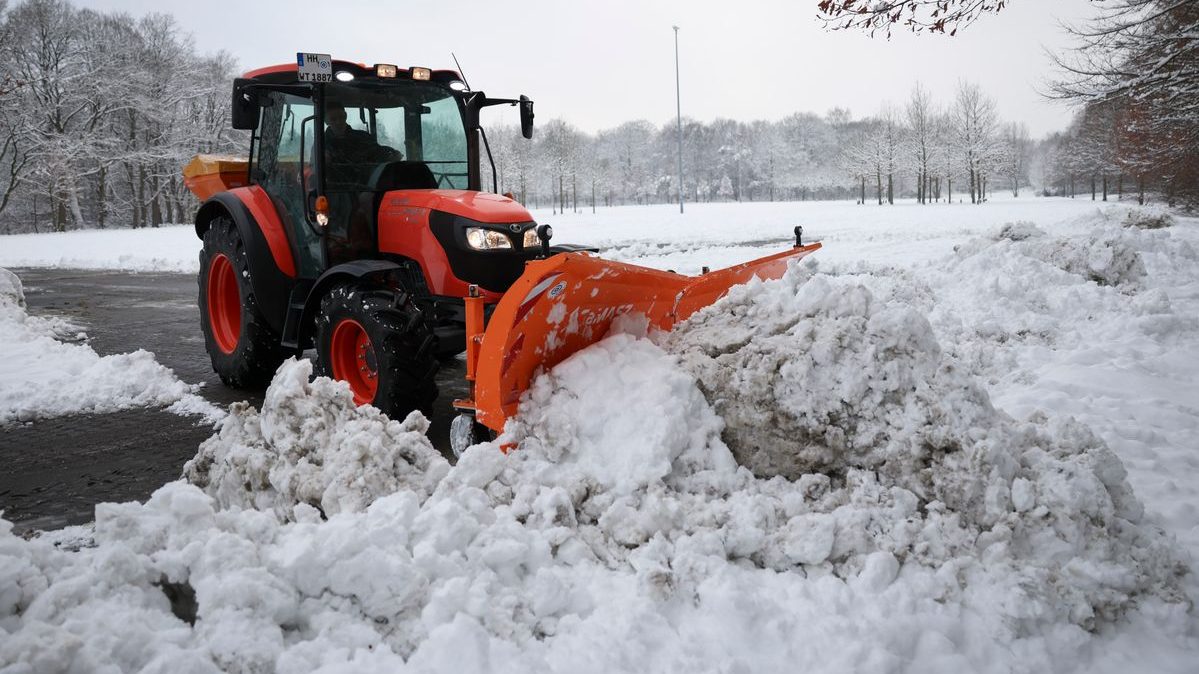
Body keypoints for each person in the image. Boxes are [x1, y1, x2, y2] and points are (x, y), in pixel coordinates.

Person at [323, 106, 401, 186]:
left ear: (346, 116)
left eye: (341, 117)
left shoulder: (363, 137)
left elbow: (379, 153)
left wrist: (391, 156)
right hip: (335, 191)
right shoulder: (321, 144)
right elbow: (316, 171)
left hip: (368, 186)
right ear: (326, 121)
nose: (338, 122)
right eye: (333, 119)